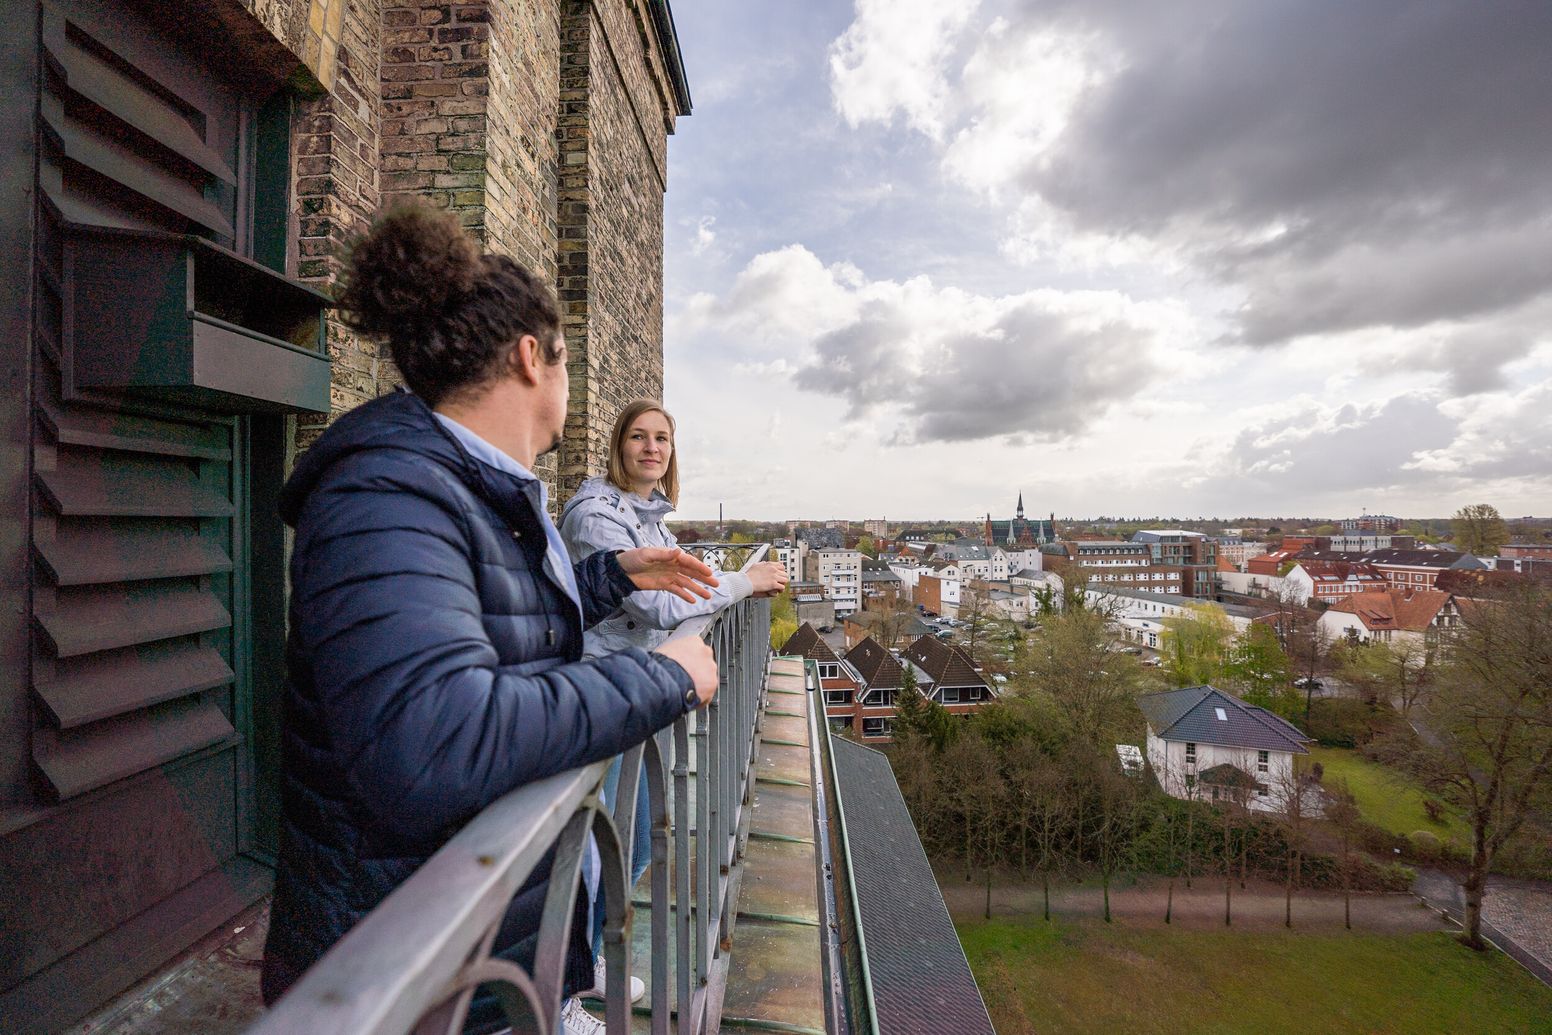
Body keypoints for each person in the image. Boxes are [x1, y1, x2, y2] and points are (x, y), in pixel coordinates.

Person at [259, 203, 721, 1035]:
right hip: (412, 974)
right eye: (567, 360)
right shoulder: (387, 493)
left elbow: (487, 624)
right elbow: (433, 736)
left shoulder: (462, 483)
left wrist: (606, 577)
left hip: (479, 954)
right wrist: (664, 677)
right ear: (531, 357)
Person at [558, 400, 788, 1009]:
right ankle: (563, 996)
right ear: (618, 445)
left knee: (631, 842)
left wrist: (722, 585)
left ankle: (590, 959)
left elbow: (683, 586)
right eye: (639, 436)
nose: (652, 448)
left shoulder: (650, 518)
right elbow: (658, 606)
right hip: (596, 696)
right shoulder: (596, 516)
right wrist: (743, 583)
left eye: (661, 439)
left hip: (633, 692)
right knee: (590, 850)